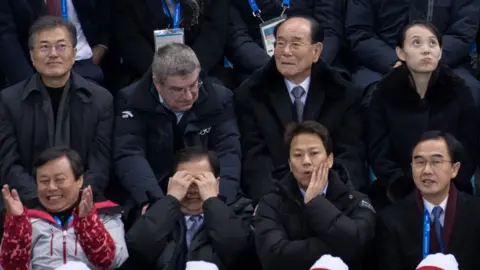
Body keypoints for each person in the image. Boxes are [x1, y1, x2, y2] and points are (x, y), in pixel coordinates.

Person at [235, 15, 365, 201]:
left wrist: (327, 196)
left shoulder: (343, 93)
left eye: (295, 44)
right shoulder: (252, 93)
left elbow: (350, 155)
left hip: (330, 194)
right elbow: (256, 159)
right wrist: (272, 203)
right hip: (275, 196)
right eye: (280, 43)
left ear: (316, 51)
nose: (285, 52)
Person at [114, 43, 241, 214]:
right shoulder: (130, 102)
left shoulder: (220, 99)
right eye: (177, 90)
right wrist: (157, 204)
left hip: (208, 191)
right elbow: (129, 154)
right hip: (156, 190)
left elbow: (229, 152)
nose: (188, 96)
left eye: (194, 85)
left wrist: (221, 200)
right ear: (157, 83)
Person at [0, 16, 113, 203]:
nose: (53, 54)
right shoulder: (8, 101)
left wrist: (75, 199)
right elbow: (8, 164)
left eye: (61, 46)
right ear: (31, 55)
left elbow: (100, 165)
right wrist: (41, 198)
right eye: (44, 47)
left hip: (85, 201)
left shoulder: (100, 100)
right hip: (26, 203)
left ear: (74, 53)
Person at [367, 22, 477, 207]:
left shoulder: (459, 90)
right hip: (398, 192)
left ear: (440, 52)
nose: (426, 50)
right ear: (401, 53)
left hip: (451, 189)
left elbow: (469, 148)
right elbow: (378, 151)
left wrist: (445, 185)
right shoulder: (383, 93)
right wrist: (402, 186)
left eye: (432, 44)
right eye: (416, 43)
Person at [254, 121, 376, 270]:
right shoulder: (270, 204)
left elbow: (358, 243)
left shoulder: (356, 201)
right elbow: (273, 257)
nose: (306, 161)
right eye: (298, 155)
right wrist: (338, 247)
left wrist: (315, 203)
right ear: (290, 164)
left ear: (330, 159)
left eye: (314, 153)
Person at [122, 147, 258, 270]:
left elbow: (239, 253)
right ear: (172, 182)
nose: (192, 190)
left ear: (216, 183)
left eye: (200, 181)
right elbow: (136, 252)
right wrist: (171, 200)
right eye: (185, 181)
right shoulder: (155, 211)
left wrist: (211, 201)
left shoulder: (238, 209)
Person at [0, 147, 128, 270]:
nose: (51, 187)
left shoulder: (104, 214)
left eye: (59, 180)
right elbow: (10, 268)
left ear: (79, 180)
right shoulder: (26, 219)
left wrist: (88, 223)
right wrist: (17, 227)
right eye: (44, 181)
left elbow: (113, 262)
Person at [376, 131, 480, 269]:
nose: (427, 170)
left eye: (436, 162)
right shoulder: (391, 220)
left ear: (454, 169)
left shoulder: (476, 213)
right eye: (419, 162)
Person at [345, 0, 480, 103]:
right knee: (372, 96)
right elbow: (359, 31)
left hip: (445, 61)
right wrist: (396, 61)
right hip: (380, 65)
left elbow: (462, 33)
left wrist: (427, 58)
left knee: (469, 93)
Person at [111, 0, 230, 87]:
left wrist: (189, 75)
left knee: (218, 90)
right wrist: (163, 77)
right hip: (147, 73)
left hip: (201, 70)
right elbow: (131, 42)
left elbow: (213, 37)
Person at [226, 0, 344, 83]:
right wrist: (274, 66)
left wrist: (310, 64)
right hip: (260, 65)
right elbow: (237, 37)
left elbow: (330, 30)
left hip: (314, 60)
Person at [0, 1, 108, 86]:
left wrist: (101, 45)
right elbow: (6, 35)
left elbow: (106, 9)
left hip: (85, 63)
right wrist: (26, 84)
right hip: (32, 69)